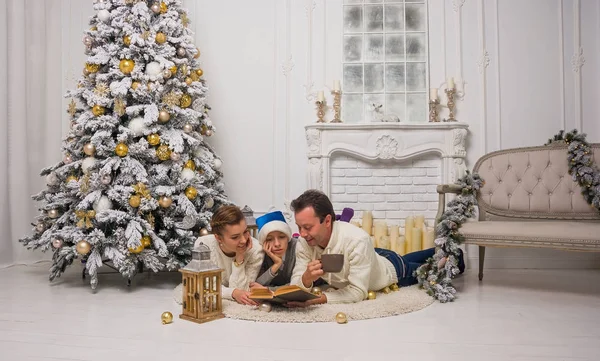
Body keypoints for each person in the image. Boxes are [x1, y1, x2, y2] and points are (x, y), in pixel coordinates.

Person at [287, 189, 464, 306]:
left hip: (392, 269)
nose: (301, 234)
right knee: (408, 257)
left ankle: (457, 257)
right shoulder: (304, 242)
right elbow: (296, 283)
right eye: (299, 227)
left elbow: (357, 292)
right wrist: (306, 279)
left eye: (308, 227)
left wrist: (320, 299)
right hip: (374, 256)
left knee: (426, 270)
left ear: (327, 221)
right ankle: (444, 251)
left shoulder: (356, 240)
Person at [191, 205, 264, 305]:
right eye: (235, 237)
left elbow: (243, 292)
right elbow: (204, 285)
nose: (243, 240)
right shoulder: (203, 245)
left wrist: (239, 259)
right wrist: (233, 293)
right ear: (218, 238)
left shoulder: (255, 250)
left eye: (245, 232)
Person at [250, 210, 298, 290]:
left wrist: (268, 290)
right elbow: (256, 286)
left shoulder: (297, 247)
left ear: (288, 237)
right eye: (269, 239)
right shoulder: (261, 253)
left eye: (282, 237)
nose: (277, 244)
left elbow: (298, 285)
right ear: (263, 242)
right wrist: (276, 265)